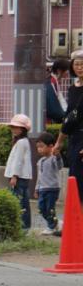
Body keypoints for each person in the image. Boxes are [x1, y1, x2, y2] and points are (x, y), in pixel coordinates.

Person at [53, 52, 83, 209]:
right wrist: (60, 141)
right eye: (77, 64)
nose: (80, 67)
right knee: (74, 179)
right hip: (74, 138)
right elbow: (69, 116)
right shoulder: (72, 88)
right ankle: (76, 223)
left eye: (82, 64)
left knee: (79, 180)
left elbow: (75, 115)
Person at [5, 113, 33, 231]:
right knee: (23, 200)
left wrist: (14, 176)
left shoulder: (21, 142)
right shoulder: (22, 141)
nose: (14, 129)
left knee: (20, 201)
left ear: (23, 129)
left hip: (19, 176)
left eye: (17, 127)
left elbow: (18, 161)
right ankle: (24, 226)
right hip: (21, 176)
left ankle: (23, 226)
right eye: (13, 127)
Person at [35, 131, 62, 235]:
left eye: (41, 146)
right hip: (42, 189)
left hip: (52, 188)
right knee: (41, 209)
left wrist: (58, 156)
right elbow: (39, 177)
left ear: (51, 146)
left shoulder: (53, 159)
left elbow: (59, 166)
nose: (39, 149)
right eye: (38, 147)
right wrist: (36, 188)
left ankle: (51, 227)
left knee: (50, 209)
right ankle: (55, 223)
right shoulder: (40, 161)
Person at [47, 59, 72, 124]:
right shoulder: (52, 82)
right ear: (59, 71)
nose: (68, 73)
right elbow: (54, 104)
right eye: (67, 71)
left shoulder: (54, 81)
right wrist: (64, 116)